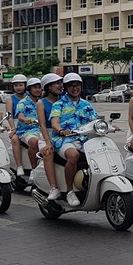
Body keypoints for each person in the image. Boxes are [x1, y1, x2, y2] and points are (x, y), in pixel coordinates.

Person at [49, 73, 100, 207]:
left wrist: (108, 126)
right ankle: (70, 191)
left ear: (81, 86)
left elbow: (95, 120)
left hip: (84, 140)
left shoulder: (86, 104)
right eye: (71, 86)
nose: (74, 88)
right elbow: (54, 122)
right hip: (64, 140)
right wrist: (60, 130)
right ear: (66, 88)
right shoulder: (59, 104)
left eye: (77, 85)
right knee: (73, 155)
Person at [36, 73, 63, 201]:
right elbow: (42, 125)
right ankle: (53, 187)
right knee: (48, 152)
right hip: (47, 134)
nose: (60, 86)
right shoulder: (41, 103)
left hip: (64, 134)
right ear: (48, 87)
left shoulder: (64, 101)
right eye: (57, 83)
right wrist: (48, 142)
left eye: (61, 83)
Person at [14, 78, 43, 177]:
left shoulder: (43, 102)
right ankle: (34, 169)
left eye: (39, 88)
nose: (38, 90)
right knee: (34, 142)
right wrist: (25, 120)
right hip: (27, 130)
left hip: (42, 130)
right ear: (29, 89)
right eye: (35, 88)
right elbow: (20, 116)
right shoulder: (23, 102)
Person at [5, 74, 27, 174]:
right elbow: (9, 115)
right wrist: (13, 128)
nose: (18, 87)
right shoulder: (10, 99)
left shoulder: (29, 98)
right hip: (16, 124)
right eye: (16, 85)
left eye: (21, 85)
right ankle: (19, 166)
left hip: (31, 125)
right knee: (14, 139)